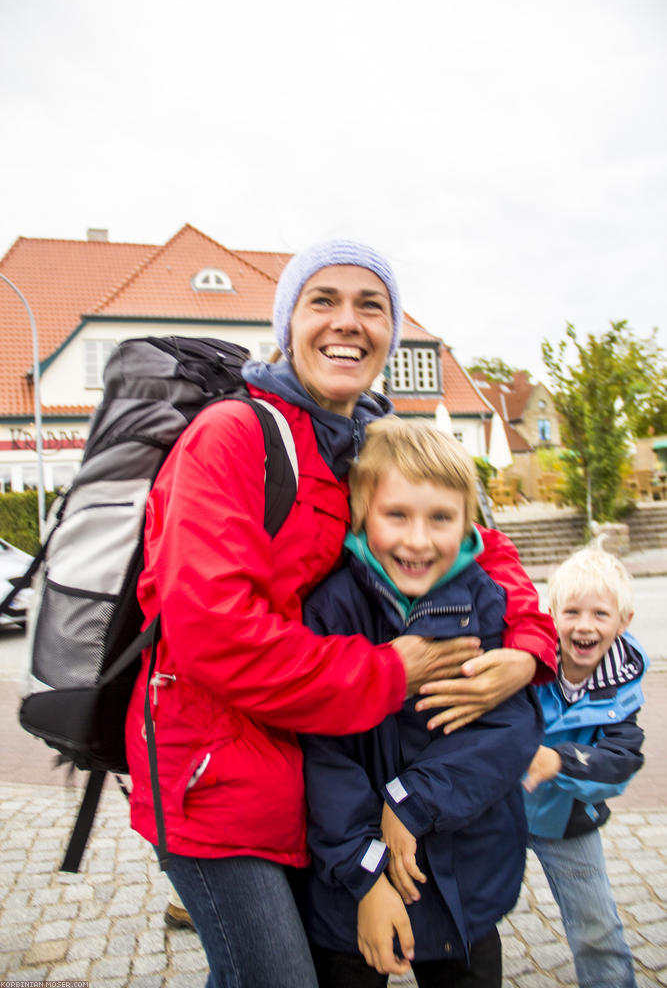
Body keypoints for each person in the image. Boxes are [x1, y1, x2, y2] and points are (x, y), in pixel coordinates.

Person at [124, 238, 557, 988]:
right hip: (220, 779)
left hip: (315, 772)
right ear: (286, 321)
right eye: (322, 300)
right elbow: (210, 630)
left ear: (392, 330)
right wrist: (388, 672)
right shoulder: (233, 435)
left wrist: (525, 649)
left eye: (371, 305)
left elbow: (483, 557)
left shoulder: (373, 441)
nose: (346, 322)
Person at [299, 418, 545, 987]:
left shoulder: (483, 602)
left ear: (467, 525)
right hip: (352, 895)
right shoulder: (332, 611)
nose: (417, 540)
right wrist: (364, 873)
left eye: (440, 518)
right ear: (363, 513)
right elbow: (319, 750)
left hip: (466, 882)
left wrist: (412, 799)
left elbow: (508, 729)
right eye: (397, 515)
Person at [522, 543, 646, 988]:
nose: (584, 626)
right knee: (475, 914)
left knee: (597, 929)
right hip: (502, 811)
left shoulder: (622, 690)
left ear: (623, 622)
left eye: (600, 614)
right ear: (552, 613)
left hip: (568, 821)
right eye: (571, 612)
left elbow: (621, 761)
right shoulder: (529, 661)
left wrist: (560, 759)